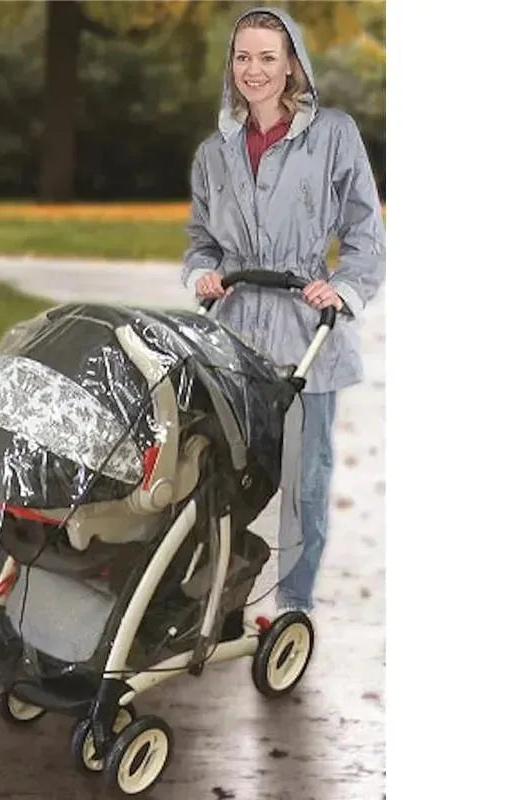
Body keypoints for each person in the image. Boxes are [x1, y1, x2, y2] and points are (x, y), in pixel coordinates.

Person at [182, 7, 385, 618]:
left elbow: (365, 233)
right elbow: (201, 240)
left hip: (306, 335)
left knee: (304, 479)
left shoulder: (333, 135)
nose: (254, 70)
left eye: (268, 57)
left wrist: (342, 289)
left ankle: (293, 601)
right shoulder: (214, 152)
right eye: (243, 56)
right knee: (220, 470)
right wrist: (202, 273)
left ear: (293, 63)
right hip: (235, 334)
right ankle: (218, 595)